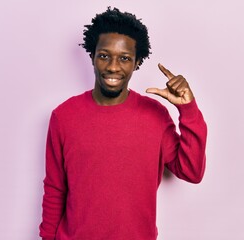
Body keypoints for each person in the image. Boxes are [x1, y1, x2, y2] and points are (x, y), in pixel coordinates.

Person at [39, 7, 207, 240]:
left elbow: (192, 171)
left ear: (137, 62)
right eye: (104, 55)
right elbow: (55, 189)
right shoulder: (63, 116)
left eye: (125, 58)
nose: (113, 67)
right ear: (92, 56)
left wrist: (187, 109)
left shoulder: (155, 116)